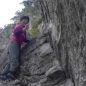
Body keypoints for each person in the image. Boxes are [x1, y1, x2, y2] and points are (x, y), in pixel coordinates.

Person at [0, 16, 30, 81]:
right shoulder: (19, 26)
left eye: (27, 21)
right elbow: (16, 32)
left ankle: (2, 74)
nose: (25, 22)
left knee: (10, 61)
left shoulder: (23, 30)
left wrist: (29, 41)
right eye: (24, 20)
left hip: (17, 45)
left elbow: (24, 39)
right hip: (14, 43)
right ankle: (11, 74)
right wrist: (23, 29)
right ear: (21, 20)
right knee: (14, 59)